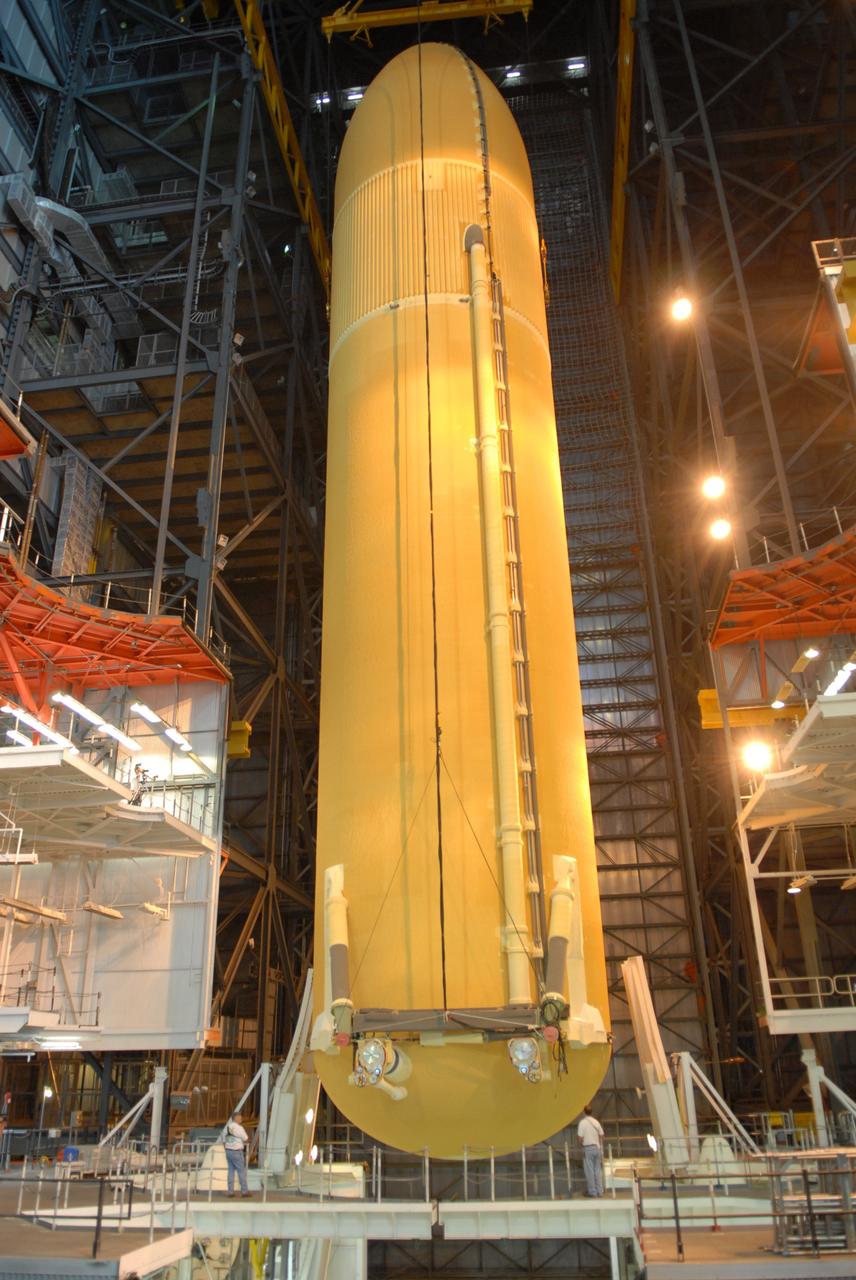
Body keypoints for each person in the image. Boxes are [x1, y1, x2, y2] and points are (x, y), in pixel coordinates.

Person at [577, 1104, 604, 1197]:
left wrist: (582, 1144)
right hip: (597, 1148)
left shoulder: (582, 1123)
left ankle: (592, 1192)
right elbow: (602, 1134)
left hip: (588, 1148)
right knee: (598, 1170)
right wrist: (597, 1141)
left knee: (590, 1171)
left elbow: (580, 1138)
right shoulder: (596, 1122)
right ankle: (600, 1191)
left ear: (584, 1112)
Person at [224, 1110, 252, 1198]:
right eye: (240, 1117)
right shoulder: (239, 1128)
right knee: (241, 1171)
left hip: (228, 1151)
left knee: (231, 1171)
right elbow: (245, 1138)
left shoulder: (228, 1127)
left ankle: (230, 1192)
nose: (241, 1119)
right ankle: (244, 1191)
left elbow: (224, 1140)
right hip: (237, 1151)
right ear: (236, 1118)